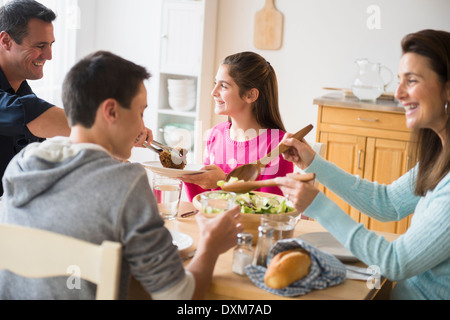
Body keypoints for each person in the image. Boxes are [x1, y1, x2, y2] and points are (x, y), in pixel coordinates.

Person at [0, 50, 243, 300]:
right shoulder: (127, 182)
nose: (142, 126)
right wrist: (210, 247)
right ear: (112, 112)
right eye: (140, 112)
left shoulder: (22, 165)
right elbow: (179, 297)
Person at [276, 29, 450, 300]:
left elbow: (396, 262)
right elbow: (387, 203)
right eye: (399, 81)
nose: (399, 93)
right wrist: (313, 163)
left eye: (412, 81)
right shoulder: (440, 158)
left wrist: (317, 205)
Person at [181, 51, 294, 200]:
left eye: (223, 86)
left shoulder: (278, 147)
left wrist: (224, 182)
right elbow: (205, 201)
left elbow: (271, 210)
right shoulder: (215, 134)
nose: (213, 92)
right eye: (216, 84)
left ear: (251, 95)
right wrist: (187, 175)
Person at [0, 0, 71, 197]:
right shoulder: (23, 103)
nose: (49, 55)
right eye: (40, 46)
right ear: (6, 41)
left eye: (50, 45)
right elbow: (24, 113)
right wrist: (110, 129)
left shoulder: (22, 90)